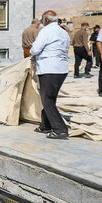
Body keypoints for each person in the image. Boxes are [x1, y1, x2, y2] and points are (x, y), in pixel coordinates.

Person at [30, 10, 70, 139]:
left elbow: (35, 49)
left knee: (47, 99)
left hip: (49, 69)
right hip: (61, 69)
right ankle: (45, 125)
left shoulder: (46, 31)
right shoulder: (63, 32)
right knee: (50, 98)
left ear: (46, 20)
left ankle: (59, 129)